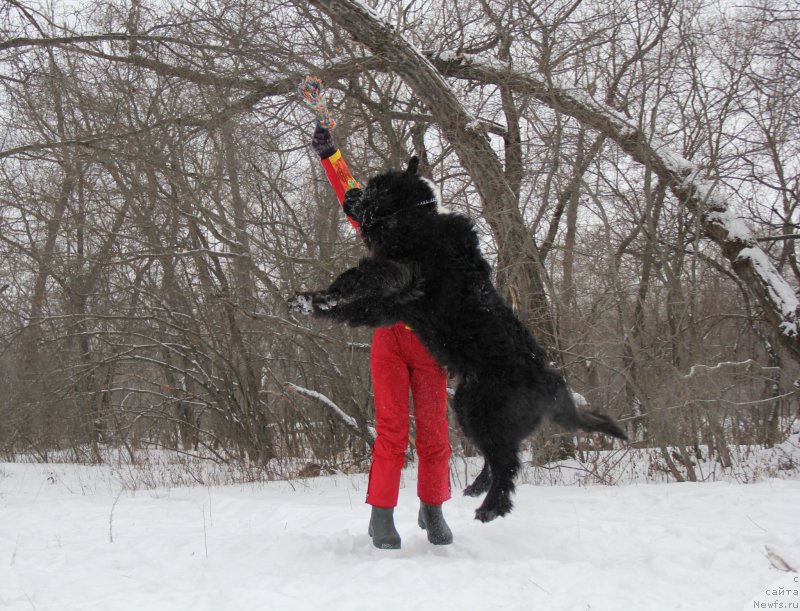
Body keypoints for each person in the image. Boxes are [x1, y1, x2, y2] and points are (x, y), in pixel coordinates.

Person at [310, 125, 453, 549]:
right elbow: (350, 193)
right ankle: (382, 514)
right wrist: (331, 154)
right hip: (390, 341)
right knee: (392, 429)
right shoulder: (381, 228)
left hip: (430, 344)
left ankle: (433, 508)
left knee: (434, 432)